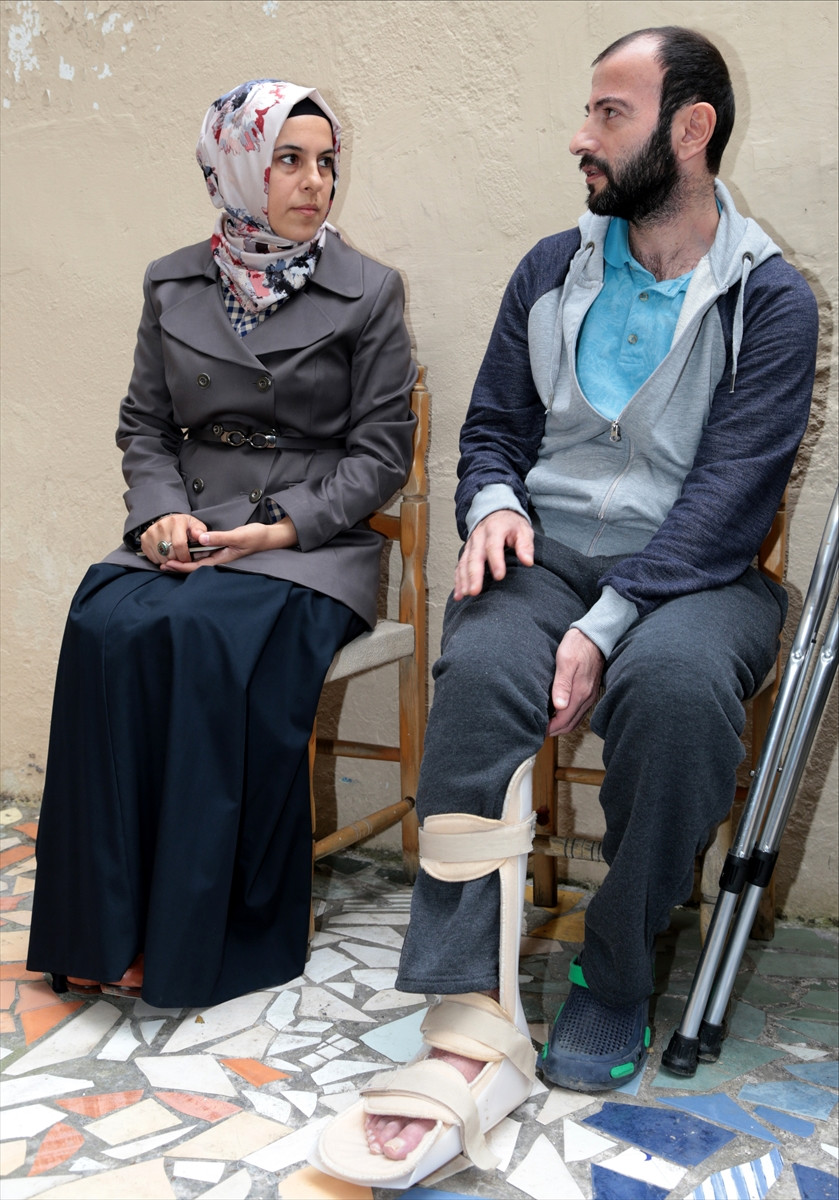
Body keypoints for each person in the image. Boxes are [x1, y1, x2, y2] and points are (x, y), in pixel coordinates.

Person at [314, 26, 818, 1189]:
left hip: (696, 574)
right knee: (482, 668)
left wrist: (603, 628)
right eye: (587, 112)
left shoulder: (770, 301)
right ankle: (466, 995)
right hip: (546, 554)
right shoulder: (550, 267)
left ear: (688, 130)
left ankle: (614, 971)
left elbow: (731, 501)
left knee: (676, 692)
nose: (579, 138)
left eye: (608, 114)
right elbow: (494, 427)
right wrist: (492, 504)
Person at [26, 79, 416, 1010]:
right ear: (235, 170)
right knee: (103, 620)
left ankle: (201, 935)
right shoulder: (172, 282)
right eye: (289, 161)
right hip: (194, 524)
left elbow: (380, 456)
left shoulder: (368, 291)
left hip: (309, 542)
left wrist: (282, 528)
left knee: (204, 636)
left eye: (325, 162)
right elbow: (145, 425)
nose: (314, 182)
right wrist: (159, 515)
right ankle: (103, 926)